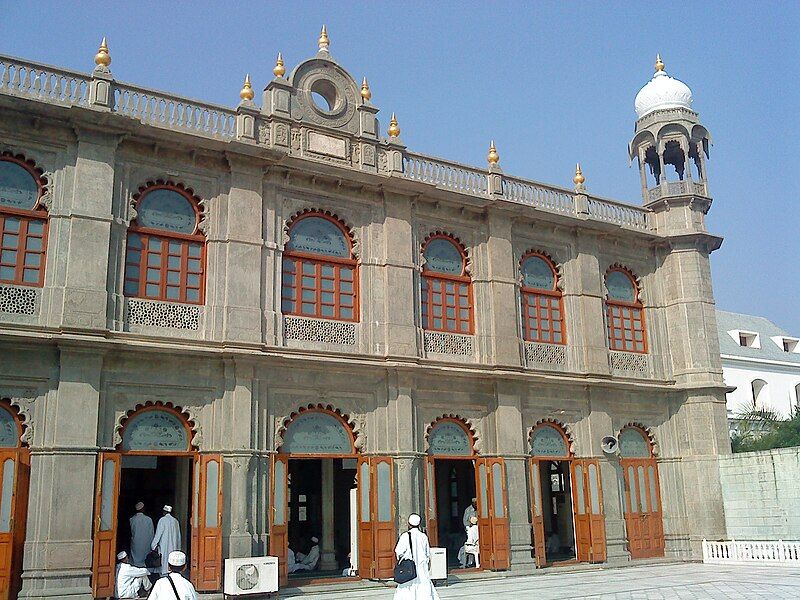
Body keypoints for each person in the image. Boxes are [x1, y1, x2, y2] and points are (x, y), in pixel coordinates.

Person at [393, 514, 440, 600]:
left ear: (409, 524)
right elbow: (427, 553)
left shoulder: (405, 536)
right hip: (422, 568)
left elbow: (398, 551)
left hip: (409, 568)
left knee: (407, 590)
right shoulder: (423, 536)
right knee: (423, 590)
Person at [151, 505, 181, 576]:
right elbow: (178, 536)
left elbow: (158, 534)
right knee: (172, 564)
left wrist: (153, 545)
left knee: (163, 564)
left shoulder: (162, 520)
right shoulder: (175, 521)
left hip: (164, 547)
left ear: (164, 512)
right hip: (174, 547)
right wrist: (178, 548)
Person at [129, 502, 154, 568]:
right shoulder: (149, 519)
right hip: (146, 543)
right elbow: (151, 533)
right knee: (144, 560)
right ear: (143, 509)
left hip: (136, 543)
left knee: (135, 561)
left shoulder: (132, 519)